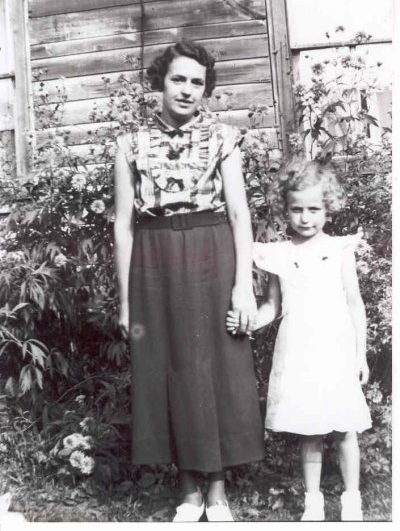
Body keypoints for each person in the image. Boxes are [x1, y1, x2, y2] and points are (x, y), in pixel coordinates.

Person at [113, 39, 264, 522]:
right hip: (153, 258)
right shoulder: (129, 144)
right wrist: (126, 302)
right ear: (160, 82)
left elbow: (239, 214)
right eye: (178, 79)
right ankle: (188, 490)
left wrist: (243, 285)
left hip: (211, 250)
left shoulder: (224, 138)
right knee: (169, 366)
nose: (186, 90)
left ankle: (217, 489)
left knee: (213, 363)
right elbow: (123, 226)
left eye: (197, 82)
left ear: (206, 90)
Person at [227, 159, 372, 521]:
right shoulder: (279, 254)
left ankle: (352, 500)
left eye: (314, 209)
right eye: (297, 210)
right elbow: (272, 306)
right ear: (285, 209)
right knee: (309, 430)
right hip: (299, 351)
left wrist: (360, 355)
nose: (305, 218)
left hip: (336, 349)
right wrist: (250, 322)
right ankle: (313, 501)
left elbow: (355, 304)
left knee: (344, 428)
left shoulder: (340, 249)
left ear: (328, 207)